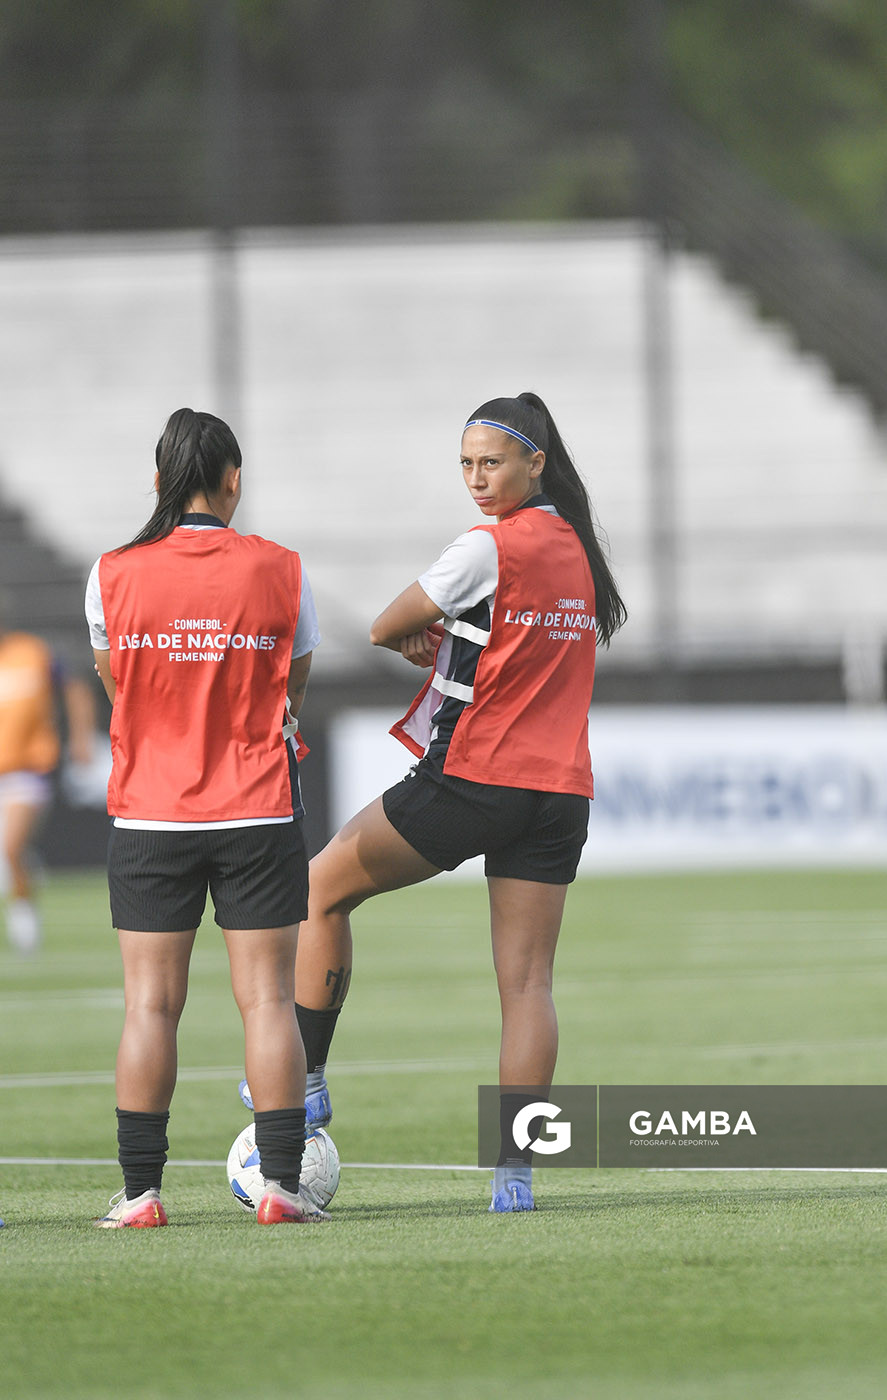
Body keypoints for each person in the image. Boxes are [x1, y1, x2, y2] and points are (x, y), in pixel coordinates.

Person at [244, 391, 624, 1212]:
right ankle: (514, 1176)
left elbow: (386, 625)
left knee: (317, 890)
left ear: (535, 463)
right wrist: (448, 639)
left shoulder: (487, 547)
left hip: (475, 778)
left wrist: (423, 633)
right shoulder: (578, 553)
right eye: (465, 464)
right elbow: (506, 651)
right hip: (559, 793)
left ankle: (304, 1084)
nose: (477, 479)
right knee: (528, 988)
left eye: (491, 462)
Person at [85, 407, 325, 1227]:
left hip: (152, 811)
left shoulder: (112, 571)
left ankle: (142, 1194)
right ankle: (281, 1188)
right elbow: (293, 692)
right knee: (267, 1002)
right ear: (233, 480)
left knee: (150, 1006)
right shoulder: (282, 569)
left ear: (157, 482)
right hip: (256, 807)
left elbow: (116, 681)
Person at [0, 600, 96, 954]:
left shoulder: (32, 653)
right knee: (10, 854)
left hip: (27, 769)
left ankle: (23, 918)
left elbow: (75, 688)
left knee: (11, 846)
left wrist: (82, 737)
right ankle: (25, 879)